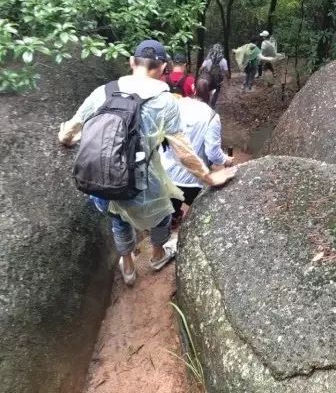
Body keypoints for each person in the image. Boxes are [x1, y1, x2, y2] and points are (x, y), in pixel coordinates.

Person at [58, 39, 236, 285]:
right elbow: (183, 151)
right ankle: (157, 255)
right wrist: (209, 177)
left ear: (132, 62)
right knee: (163, 214)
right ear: (163, 68)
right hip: (142, 184)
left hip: (102, 179)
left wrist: (66, 139)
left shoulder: (104, 91)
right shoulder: (165, 102)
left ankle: (128, 268)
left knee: (117, 218)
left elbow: (71, 129)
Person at [161, 78, 234, 228]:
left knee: (171, 207)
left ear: (193, 91)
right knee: (204, 212)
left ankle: (172, 225)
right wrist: (226, 160)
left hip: (166, 172)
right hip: (191, 179)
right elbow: (212, 153)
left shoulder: (176, 105)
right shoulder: (211, 117)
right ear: (212, 94)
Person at [200, 43, 228, 108]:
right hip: (218, 80)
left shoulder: (207, 59)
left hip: (208, 78)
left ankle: (206, 103)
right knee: (216, 92)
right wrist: (228, 77)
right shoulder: (223, 60)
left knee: (207, 90)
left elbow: (201, 68)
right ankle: (212, 105)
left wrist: (200, 75)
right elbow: (226, 71)